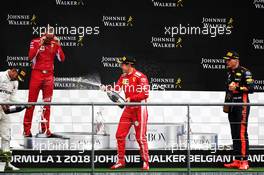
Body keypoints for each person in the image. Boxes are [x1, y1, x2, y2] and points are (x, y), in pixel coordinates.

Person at [109, 56, 150, 170]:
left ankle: (146, 162)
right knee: (119, 135)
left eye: (122, 64)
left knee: (140, 138)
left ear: (129, 65)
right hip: (128, 109)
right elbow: (117, 89)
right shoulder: (123, 77)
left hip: (140, 109)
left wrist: (131, 98)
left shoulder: (140, 77)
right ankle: (121, 161)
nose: (121, 66)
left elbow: (145, 94)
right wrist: (109, 91)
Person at [23, 27, 65, 137]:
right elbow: (30, 57)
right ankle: (26, 130)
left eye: (51, 38)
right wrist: (39, 45)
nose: (49, 40)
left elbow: (62, 59)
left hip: (49, 76)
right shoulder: (35, 41)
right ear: (44, 35)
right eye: (48, 38)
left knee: (47, 104)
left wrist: (59, 45)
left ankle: (45, 129)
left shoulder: (54, 43)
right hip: (37, 74)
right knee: (31, 103)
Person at [223, 51, 254, 170]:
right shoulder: (229, 72)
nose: (227, 62)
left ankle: (245, 161)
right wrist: (226, 104)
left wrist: (237, 87)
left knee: (241, 133)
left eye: (229, 60)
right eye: (226, 60)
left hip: (242, 105)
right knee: (234, 133)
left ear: (236, 60)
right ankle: (237, 160)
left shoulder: (245, 72)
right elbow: (228, 90)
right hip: (232, 105)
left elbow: (251, 89)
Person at [0, 68, 27, 171]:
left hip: (5, 111)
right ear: (13, 70)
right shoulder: (1, 76)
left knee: (6, 136)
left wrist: (24, 103)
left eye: (18, 78)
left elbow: (12, 98)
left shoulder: (15, 82)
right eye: (16, 76)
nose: (16, 79)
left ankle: (6, 163)